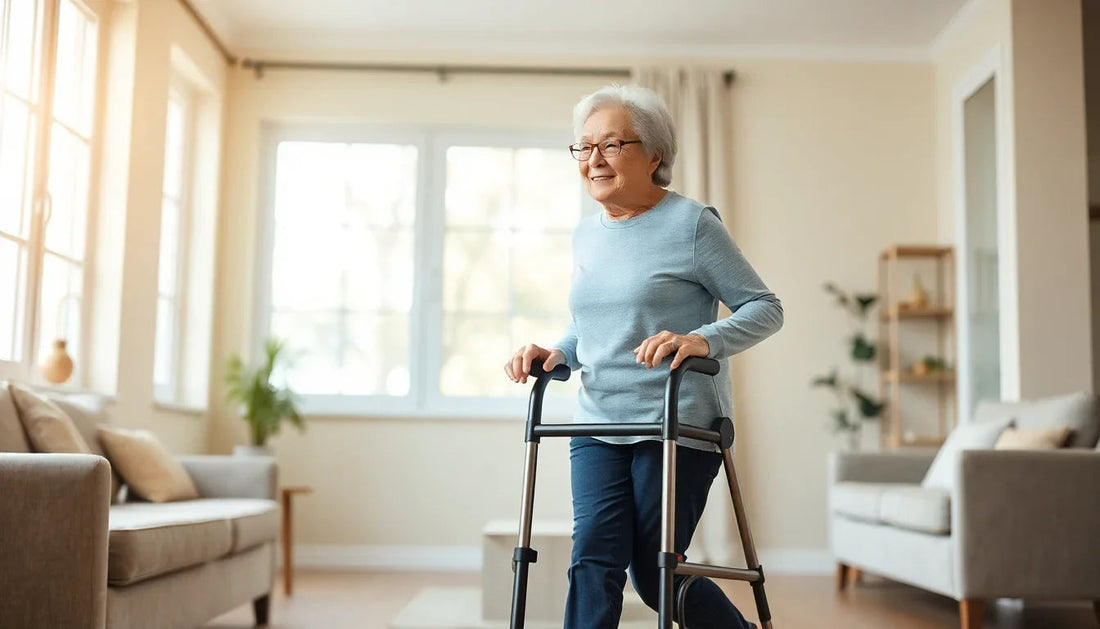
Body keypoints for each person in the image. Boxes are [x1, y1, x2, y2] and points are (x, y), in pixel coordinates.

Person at [504, 84, 782, 629]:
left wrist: (703, 339)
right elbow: (589, 327)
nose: (593, 159)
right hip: (599, 420)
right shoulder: (586, 236)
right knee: (592, 562)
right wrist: (555, 353)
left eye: (610, 144)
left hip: (676, 423)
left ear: (655, 155)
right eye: (583, 148)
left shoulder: (692, 224)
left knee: (655, 577)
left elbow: (765, 307)